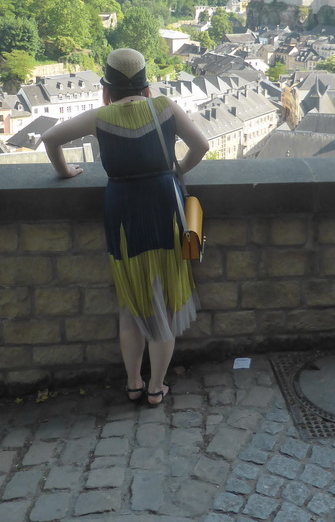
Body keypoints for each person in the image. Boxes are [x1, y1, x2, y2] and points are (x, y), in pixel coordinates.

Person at [40, 49, 209, 407]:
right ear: (146, 85)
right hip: (165, 208)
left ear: (108, 88)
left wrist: (64, 172)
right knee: (163, 300)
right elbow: (202, 146)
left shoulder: (99, 117)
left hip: (123, 212)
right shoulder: (165, 107)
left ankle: (133, 383)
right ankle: (155, 388)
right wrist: (178, 170)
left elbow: (50, 139)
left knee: (131, 304)